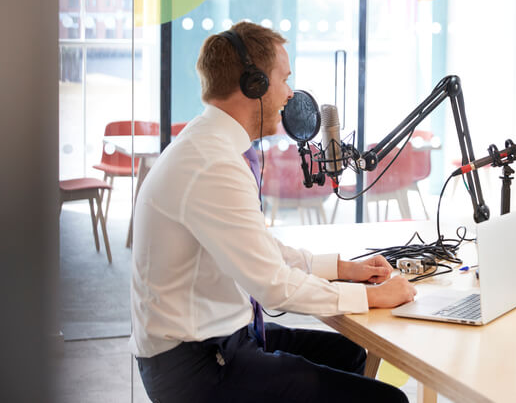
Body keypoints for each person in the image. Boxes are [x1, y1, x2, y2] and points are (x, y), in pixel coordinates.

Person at [130, 21, 417, 402]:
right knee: (388, 400)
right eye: (284, 78)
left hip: (216, 342)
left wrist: (343, 270)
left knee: (348, 354)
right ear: (255, 85)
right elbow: (271, 285)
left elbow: (260, 248)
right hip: (195, 366)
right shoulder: (211, 164)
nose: (290, 93)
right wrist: (370, 298)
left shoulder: (210, 145)